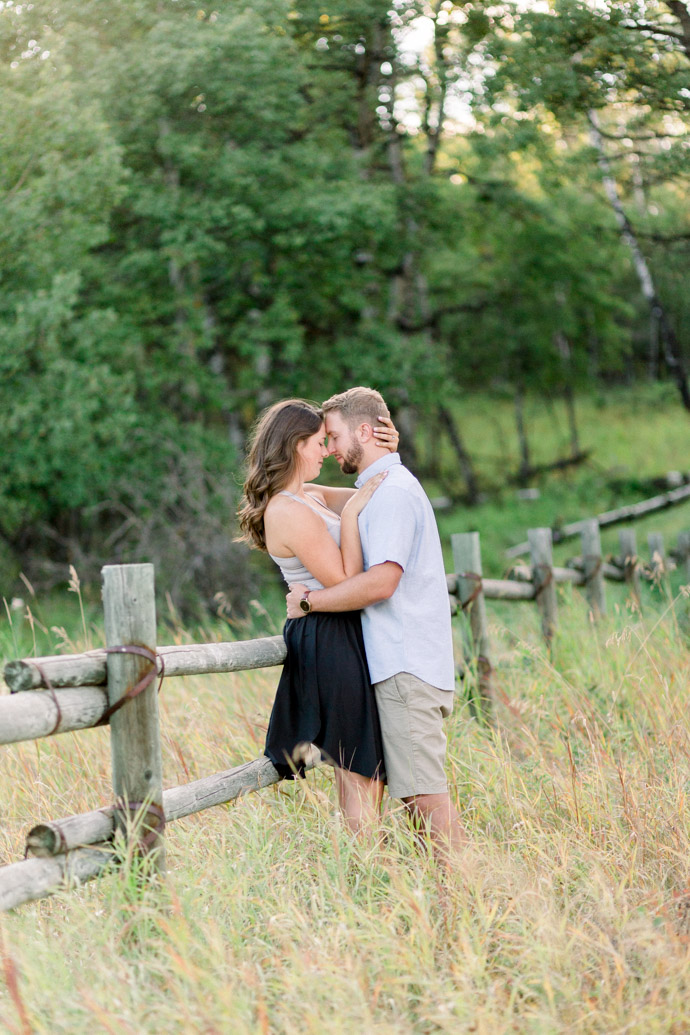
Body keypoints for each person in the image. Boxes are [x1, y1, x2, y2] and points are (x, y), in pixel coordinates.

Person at [286, 386, 465, 862]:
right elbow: (315, 493)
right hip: (403, 661)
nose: (330, 448)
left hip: (405, 664)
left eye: (335, 435)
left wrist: (310, 602)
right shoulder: (384, 487)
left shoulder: (391, 494)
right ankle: (455, 902)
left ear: (365, 431)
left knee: (422, 797)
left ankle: (466, 902)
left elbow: (382, 582)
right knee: (415, 793)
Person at [237, 398, 399, 835]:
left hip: (341, 627)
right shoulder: (287, 511)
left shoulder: (306, 495)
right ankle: (363, 866)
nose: (326, 450)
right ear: (293, 446)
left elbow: (378, 492)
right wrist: (351, 514)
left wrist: (387, 450)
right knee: (356, 763)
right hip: (327, 634)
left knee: (364, 762)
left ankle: (364, 864)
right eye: (317, 442)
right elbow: (345, 577)